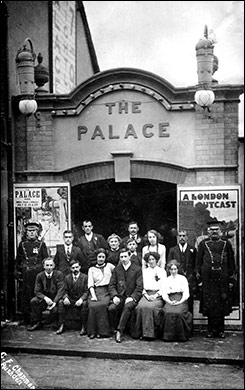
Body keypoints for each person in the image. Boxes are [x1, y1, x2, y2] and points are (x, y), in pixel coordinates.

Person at [195, 220, 236, 339]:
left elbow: (231, 263)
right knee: (210, 304)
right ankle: (210, 330)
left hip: (222, 278)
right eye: (211, 230)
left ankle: (221, 330)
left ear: (220, 231)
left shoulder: (226, 243)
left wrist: (231, 279)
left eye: (216, 230)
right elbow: (198, 262)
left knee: (221, 304)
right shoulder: (203, 244)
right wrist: (199, 278)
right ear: (208, 231)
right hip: (208, 278)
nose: (214, 232)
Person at [15, 220, 49, 325]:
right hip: (26, 275)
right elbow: (18, 260)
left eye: (33, 231)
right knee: (25, 295)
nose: (31, 233)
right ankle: (25, 318)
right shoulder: (22, 244)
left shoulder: (41, 244)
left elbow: (45, 259)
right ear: (26, 232)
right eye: (29, 231)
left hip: (37, 274)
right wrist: (19, 272)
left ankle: (36, 319)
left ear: (37, 232)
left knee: (37, 295)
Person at [108, 248, 143, 343]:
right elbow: (112, 285)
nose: (123, 259)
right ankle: (114, 329)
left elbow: (139, 287)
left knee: (127, 307)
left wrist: (132, 297)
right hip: (120, 296)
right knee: (112, 308)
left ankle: (120, 331)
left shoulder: (137, 269)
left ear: (129, 257)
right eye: (121, 257)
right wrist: (115, 296)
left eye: (125, 256)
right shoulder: (117, 269)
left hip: (132, 296)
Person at [132, 252, 166, 340]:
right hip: (146, 294)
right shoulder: (144, 272)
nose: (151, 261)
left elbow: (164, 286)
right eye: (149, 260)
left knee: (151, 307)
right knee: (140, 307)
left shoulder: (162, 271)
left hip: (158, 295)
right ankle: (139, 332)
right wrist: (146, 295)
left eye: (153, 259)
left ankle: (150, 334)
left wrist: (155, 296)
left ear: (157, 261)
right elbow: (140, 285)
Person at [27, 257, 65, 331]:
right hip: (45, 299)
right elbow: (37, 291)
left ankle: (53, 323)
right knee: (34, 301)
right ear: (43, 266)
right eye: (47, 265)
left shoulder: (59, 274)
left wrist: (54, 302)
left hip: (55, 298)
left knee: (55, 309)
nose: (49, 268)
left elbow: (61, 290)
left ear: (54, 266)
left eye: (51, 265)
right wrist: (45, 298)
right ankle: (37, 322)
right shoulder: (40, 276)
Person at [160, 259, 192, 342]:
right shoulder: (166, 280)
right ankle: (168, 336)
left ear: (178, 269)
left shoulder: (183, 278)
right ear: (169, 270)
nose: (173, 271)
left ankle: (181, 336)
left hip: (181, 299)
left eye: (175, 269)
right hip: (170, 299)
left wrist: (180, 301)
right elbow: (164, 293)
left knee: (179, 313)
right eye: (171, 269)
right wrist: (169, 301)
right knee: (168, 312)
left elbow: (186, 293)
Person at [87, 248, 115, 339]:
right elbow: (90, 284)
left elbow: (117, 275)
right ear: (96, 257)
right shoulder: (91, 269)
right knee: (92, 306)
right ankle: (92, 331)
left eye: (103, 257)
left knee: (102, 305)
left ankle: (103, 332)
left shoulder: (110, 266)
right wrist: (93, 296)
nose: (101, 259)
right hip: (96, 291)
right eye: (99, 257)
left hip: (107, 291)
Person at [167, 229, 197, 314]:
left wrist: (193, 276)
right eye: (180, 236)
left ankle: (189, 324)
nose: (182, 238)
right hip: (177, 278)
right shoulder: (173, 250)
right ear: (177, 237)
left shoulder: (192, 249)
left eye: (184, 236)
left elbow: (196, 265)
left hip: (190, 278)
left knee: (189, 301)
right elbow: (169, 265)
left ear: (187, 237)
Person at [56, 260, 88, 335]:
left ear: (80, 267)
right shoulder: (67, 278)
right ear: (70, 269)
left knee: (84, 304)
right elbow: (64, 290)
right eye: (73, 268)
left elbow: (87, 291)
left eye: (77, 267)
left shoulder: (85, 277)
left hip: (80, 299)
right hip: (71, 299)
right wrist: (66, 297)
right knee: (61, 302)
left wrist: (81, 299)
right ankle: (61, 325)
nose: (75, 269)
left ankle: (84, 326)